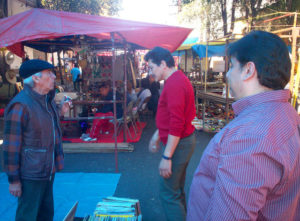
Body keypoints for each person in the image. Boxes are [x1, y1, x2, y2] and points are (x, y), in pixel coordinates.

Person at [187, 31, 300, 221]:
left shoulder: (250, 135)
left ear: (248, 70)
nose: (228, 75)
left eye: (231, 66)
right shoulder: (286, 113)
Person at [2, 59, 70, 221]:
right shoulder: (20, 105)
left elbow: (42, 127)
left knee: (46, 213)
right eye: (49, 73)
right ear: (36, 78)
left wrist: (60, 112)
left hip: (47, 168)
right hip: (31, 173)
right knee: (28, 215)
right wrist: (14, 180)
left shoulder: (47, 100)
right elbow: (11, 147)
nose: (54, 77)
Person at [145, 47, 196, 221]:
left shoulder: (175, 83)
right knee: (176, 190)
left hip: (179, 143)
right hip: (182, 141)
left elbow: (176, 123)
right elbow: (171, 117)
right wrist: (157, 135)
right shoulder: (174, 80)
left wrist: (167, 157)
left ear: (163, 64)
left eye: (152, 67)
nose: (151, 72)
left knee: (168, 194)